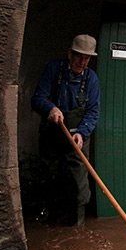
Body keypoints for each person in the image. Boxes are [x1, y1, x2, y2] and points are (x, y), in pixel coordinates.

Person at [31, 34, 100, 226]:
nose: (82, 62)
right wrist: (50, 108)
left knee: (80, 183)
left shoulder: (91, 79)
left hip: (78, 136)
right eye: (79, 56)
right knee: (49, 177)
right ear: (70, 53)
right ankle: (47, 220)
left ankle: (77, 225)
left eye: (87, 58)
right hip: (53, 133)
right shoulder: (54, 69)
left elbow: (93, 112)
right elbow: (37, 98)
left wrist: (82, 133)